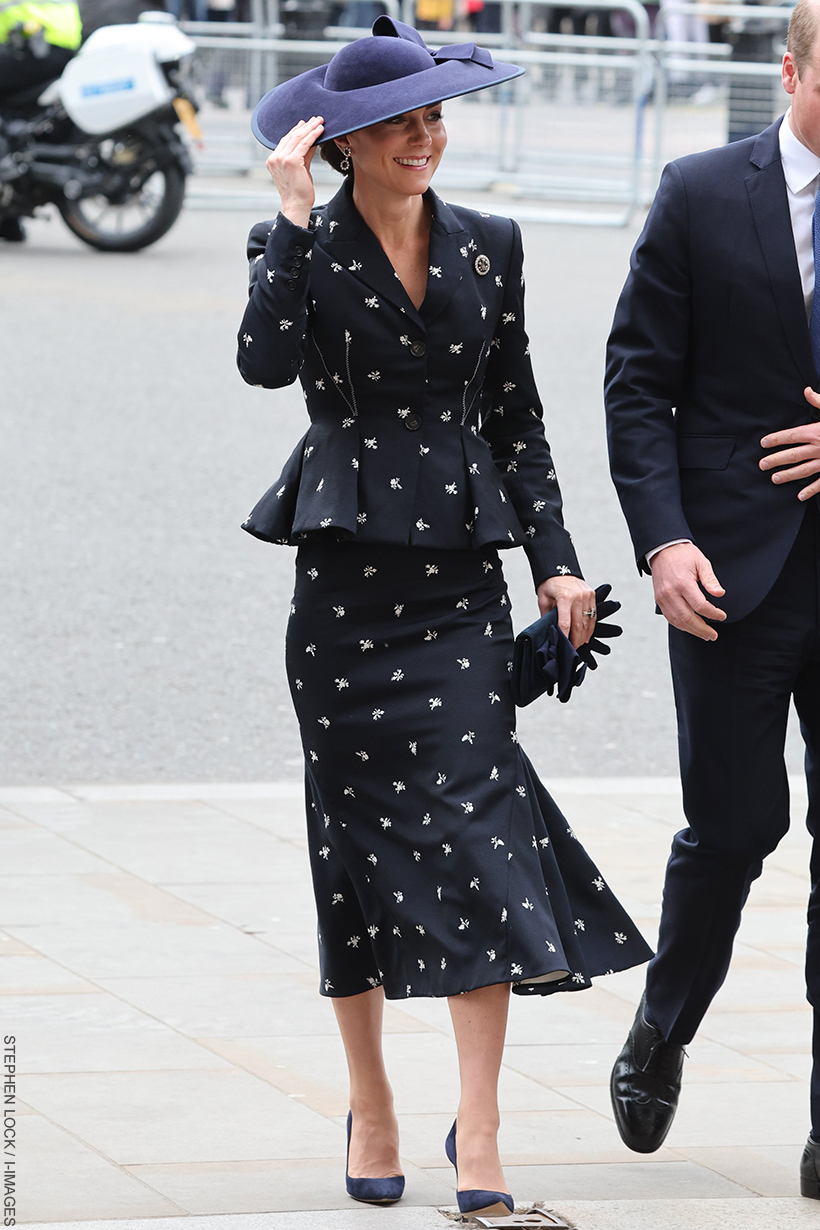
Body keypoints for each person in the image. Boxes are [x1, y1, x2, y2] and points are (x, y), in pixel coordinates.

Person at [237, 16, 652, 1216]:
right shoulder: (297, 241)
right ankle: (371, 1098)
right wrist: (295, 228)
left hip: (462, 591)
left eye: (435, 116)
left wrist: (560, 569)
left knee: (482, 837)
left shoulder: (490, 245)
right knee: (351, 853)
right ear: (348, 141)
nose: (428, 136)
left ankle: (483, 1136)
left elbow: (517, 417)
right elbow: (265, 366)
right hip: (347, 597)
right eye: (403, 122)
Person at [604, 0, 820, 1199]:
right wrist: (663, 541)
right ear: (788, 72)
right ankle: (662, 1024)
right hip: (730, 578)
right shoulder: (697, 193)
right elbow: (637, 383)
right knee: (733, 831)